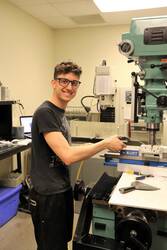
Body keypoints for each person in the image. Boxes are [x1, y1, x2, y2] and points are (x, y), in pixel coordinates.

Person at [29, 61, 126, 250]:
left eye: (74, 83)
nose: (69, 87)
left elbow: (64, 150)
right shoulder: (45, 113)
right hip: (48, 196)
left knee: (61, 243)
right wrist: (105, 143)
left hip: (61, 190)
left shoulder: (60, 114)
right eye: (64, 81)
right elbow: (67, 155)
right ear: (54, 83)